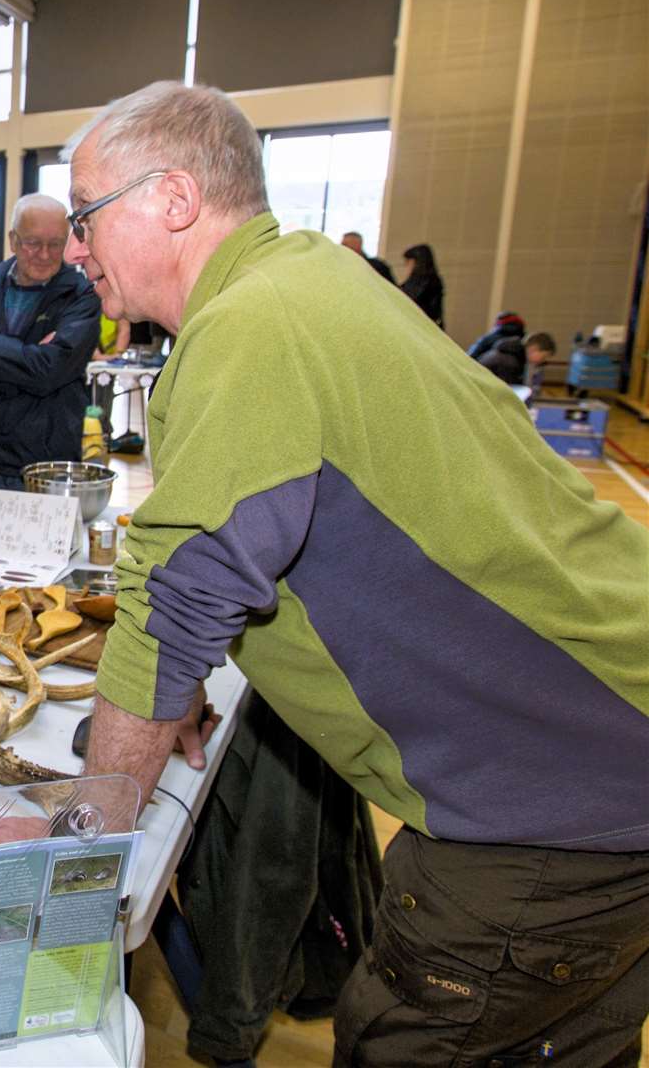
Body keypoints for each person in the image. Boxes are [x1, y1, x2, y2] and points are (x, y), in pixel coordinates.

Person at [58, 80, 648, 1066]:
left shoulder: (251, 325)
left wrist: (76, 846)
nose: (75, 248)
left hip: (541, 814)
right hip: (607, 771)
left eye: (85, 217)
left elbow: (174, 601)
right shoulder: (306, 286)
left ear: (170, 199)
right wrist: (188, 695)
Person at [0, 194, 101, 491]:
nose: (44, 254)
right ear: (14, 240)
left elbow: (52, 372)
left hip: (49, 465)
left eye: (55, 244)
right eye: (33, 243)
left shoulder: (81, 297)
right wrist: (30, 363)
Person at [400, 242, 444, 327]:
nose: (406, 265)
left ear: (417, 262)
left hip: (422, 325)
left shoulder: (427, 281)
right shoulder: (428, 280)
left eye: (408, 262)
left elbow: (409, 299)